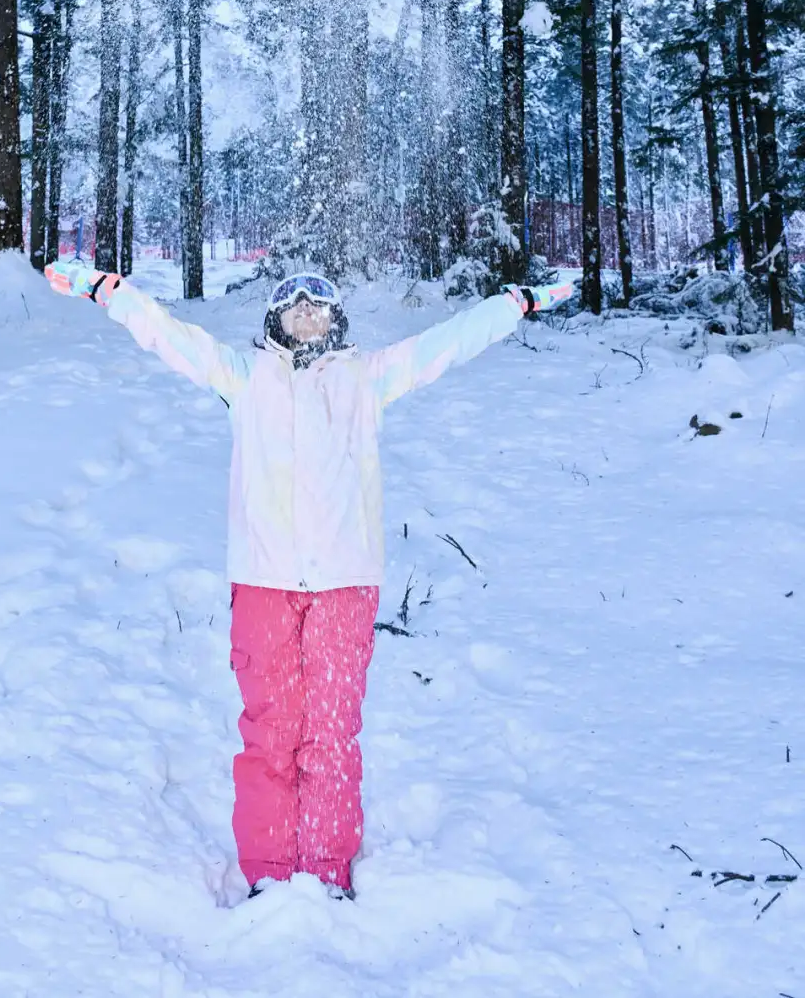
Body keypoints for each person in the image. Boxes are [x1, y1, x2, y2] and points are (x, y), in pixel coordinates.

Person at [45, 260, 573, 900]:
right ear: (275, 318)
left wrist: (515, 303)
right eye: (292, 301)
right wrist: (110, 290)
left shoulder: (366, 379)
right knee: (270, 731)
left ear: (334, 318)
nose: (305, 308)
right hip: (263, 582)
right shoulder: (243, 377)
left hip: (344, 584)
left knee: (330, 731)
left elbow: (448, 343)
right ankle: (267, 873)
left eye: (318, 302)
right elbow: (167, 334)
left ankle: (327, 871)